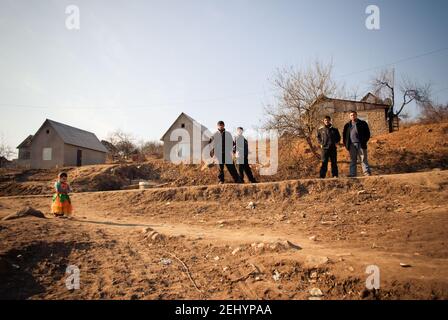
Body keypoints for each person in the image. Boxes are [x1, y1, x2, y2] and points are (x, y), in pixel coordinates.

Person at [342, 110, 372, 177]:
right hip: (351, 145)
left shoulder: (362, 123)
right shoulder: (347, 125)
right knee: (353, 160)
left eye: (354, 115)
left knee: (363, 159)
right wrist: (346, 144)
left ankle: (366, 173)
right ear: (350, 117)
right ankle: (353, 174)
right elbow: (344, 136)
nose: (353, 116)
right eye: (351, 115)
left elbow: (367, 134)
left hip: (361, 144)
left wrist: (364, 141)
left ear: (356, 115)